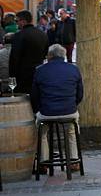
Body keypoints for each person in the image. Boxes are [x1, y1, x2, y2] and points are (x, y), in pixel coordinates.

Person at [31, 44, 84, 172]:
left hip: (47, 112)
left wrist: (39, 108)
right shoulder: (74, 69)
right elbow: (80, 95)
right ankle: (73, 161)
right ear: (64, 56)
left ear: (49, 56)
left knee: (41, 132)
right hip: (69, 111)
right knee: (71, 130)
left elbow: (34, 96)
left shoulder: (40, 70)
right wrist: (70, 105)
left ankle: (43, 163)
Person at [10, 10, 50, 94]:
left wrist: (12, 77)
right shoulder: (43, 34)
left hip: (23, 76)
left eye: (17, 21)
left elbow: (14, 58)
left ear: (23, 21)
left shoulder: (19, 35)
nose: (16, 23)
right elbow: (46, 54)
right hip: (39, 73)